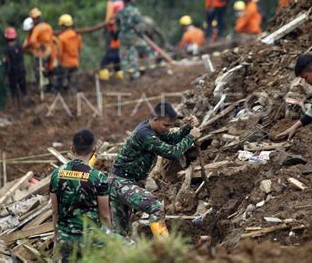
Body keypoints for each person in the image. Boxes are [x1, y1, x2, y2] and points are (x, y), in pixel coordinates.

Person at [108, 102, 201, 237]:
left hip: (125, 182)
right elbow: (172, 153)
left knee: (121, 232)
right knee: (155, 207)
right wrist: (191, 137)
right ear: (155, 120)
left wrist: (187, 128)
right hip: (120, 182)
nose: (168, 129)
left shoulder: (154, 129)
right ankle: (165, 249)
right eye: (166, 125)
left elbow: (172, 139)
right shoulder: (144, 134)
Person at [50, 129, 111, 261]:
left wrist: (57, 238)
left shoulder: (56, 174)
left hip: (65, 240)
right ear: (94, 150)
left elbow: (55, 212)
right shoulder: (99, 177)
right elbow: (105, 216)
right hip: (91, 241)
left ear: (72, 149)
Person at [117, 0, 154, 79]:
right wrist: (140, 32)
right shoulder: (134, 11)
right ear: (130, 0)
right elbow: (140, 25)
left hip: (122, 37)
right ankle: (148, 70)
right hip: (133, 36)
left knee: (124, 56)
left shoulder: (120, 12)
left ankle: (126, 75)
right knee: (147, 49)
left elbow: (117, 24)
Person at [24, 8, 58, 92]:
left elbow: (32, 41)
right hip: (50, 50)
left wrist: (37, 45)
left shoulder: (37, 28)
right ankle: (51, 87)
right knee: (50, 69)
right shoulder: (48, 26)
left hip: (42, 52)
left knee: (38, 69)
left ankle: (43, 87)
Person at [100, 0, 124, 81]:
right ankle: (119, 76)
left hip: (112, 30)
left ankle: (105, 80)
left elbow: (108, 18)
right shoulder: (121, 2)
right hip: (121, 31)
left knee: (106, 58)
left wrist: (105, 27)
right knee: (117, 57)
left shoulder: (111, 3)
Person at [57, 14, 82, 92]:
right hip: (75, 62)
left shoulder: (61, 37)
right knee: (73, 83)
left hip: (65, 63)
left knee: (61, 82)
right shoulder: (77, 36)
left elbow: (60, 52)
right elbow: (79, 48)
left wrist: (58, 60)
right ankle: (73, 98)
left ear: (63, 26)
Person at [3, 27, 27, 108]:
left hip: (12, 72)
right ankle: (24, 106)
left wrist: (6, 75)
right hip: (21, 70)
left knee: (14, 90)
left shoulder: (6, 49)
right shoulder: (19, 46)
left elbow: (7, 64)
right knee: (23, 89)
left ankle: (16, 107)